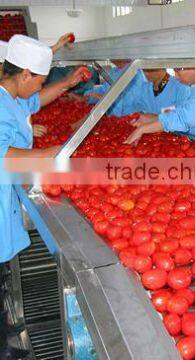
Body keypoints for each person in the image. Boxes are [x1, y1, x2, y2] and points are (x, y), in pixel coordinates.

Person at [0, 35, 84, 359]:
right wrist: (50, 153)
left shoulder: (13, 96)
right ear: (23, 74)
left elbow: (34, 102)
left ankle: (5, 334)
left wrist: (66, 84)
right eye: (38, 81)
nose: (38, 88)